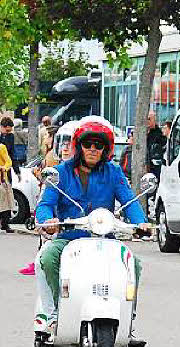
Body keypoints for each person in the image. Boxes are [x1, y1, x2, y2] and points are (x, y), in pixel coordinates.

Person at [33, 117, 149, 335]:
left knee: (134, 265)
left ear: (106, 149)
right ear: (79, 146)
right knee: (46, 258)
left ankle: (128, 318)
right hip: (69, 239)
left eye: (99, 145)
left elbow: (129, 200)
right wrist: (47, 220)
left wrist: (140, 222)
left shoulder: (113, 172)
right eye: (88, 144)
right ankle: (54, 314)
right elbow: (46, 203)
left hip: (104, 239)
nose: (93, 149)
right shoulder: (60, 172)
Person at [145, 111, 166, 176]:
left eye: (149, 119)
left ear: (154, 120)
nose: (147, 121)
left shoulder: (159, 134)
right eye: (146, 119)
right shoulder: (142, 133)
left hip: (154, 167)